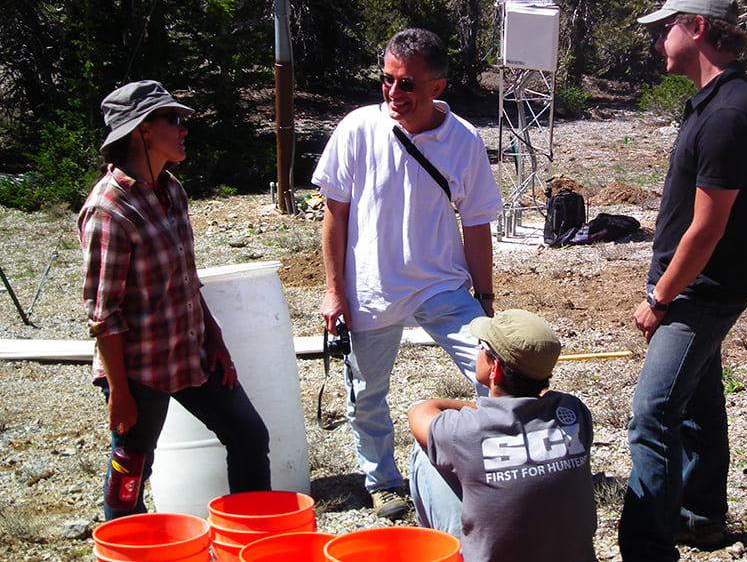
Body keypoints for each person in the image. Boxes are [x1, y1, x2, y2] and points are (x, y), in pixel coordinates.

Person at [312, 28, 503, 519]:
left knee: (495, 371)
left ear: (437, 87)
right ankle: (382, 480)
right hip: (372, 287)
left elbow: (477, 223)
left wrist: (484, 298)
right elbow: (335, 213)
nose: (394, 93)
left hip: (442, 284)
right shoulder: (357, 129)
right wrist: (335, 292)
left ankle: (488, 466)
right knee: (368, 392)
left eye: (407, 84)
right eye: (387, 80)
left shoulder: (463, 141)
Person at [617, 0, 747, 560]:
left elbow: (707, 228)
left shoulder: (730, 113)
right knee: (699, 400)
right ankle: (702, 515)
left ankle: (647, 546)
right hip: (698, 287)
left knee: (653, 415)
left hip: (701, 293)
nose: (659, 39)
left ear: (698, 28)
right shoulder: (716, 102)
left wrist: (659, 296)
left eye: (667, 27)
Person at [79, 80, 271, 520]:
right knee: (130, 473)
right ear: (141, 131)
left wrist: (215, 338)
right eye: (173, 119)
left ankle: (251, 537)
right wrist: (120, 393)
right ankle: (127, 543)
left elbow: (186, 280)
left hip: (190, 353)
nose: (184, 127)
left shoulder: (172, 191)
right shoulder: (109, 210)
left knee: (248, 434)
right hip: (139, 368)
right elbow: (103, 316)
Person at [407, 309, 597, 562]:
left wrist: (484, 411)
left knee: (424, 450)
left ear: (494, 368)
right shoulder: (573, 412)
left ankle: (439, 552)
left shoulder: (466, 430)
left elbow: (419, 412)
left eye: (481, 346)